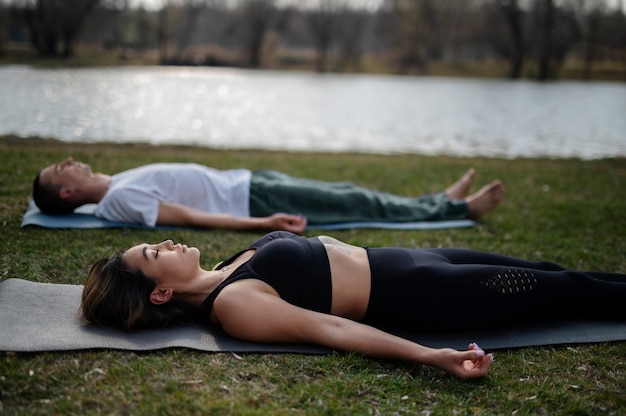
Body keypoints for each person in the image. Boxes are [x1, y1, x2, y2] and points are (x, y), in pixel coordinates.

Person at [81, 231, 626, 380]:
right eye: (156, 253)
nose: (169, 243)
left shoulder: (225, 269)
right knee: (571, 290)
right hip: (428, 294)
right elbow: (330, 330)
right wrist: (430, 357)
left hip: (418, 257)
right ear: (160, 292)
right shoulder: (234, 304)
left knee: (556, 275)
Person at [33, 157, 504, 233]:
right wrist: (262, 224)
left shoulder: (112, 186)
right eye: (61, 169)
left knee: (347, 191)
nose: (69, 159)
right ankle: (457, 207)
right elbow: (189, 217)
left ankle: (437, 200)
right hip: (251, 203)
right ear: (68, 188)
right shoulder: (119, 201)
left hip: (248, 181)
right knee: (357, 203)